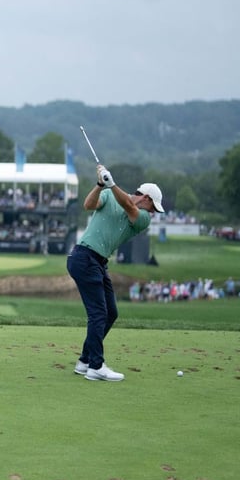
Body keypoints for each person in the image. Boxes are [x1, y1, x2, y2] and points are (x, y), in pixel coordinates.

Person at [68, 164, 164, 382]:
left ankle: (84, 360)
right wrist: (100, 185)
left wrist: (111, 184)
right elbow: (88, 204)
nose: (153, 213)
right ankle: (96, 366)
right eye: (153, 207)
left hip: (98, 262)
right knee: (98, 313)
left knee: (110, 312)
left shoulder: (143, 219)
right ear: (147, 198)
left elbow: (129, 206)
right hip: (84, 257)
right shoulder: (110, 195)